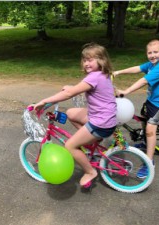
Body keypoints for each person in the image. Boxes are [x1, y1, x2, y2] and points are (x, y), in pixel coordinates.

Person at [32, 43, 117, 188]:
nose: (86, 63)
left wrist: (44, 101)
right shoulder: (102, 74)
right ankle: (90, 140)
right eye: (84, 60)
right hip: (105, 118)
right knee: (71, 113)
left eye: (91, 60)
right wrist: (71, 88)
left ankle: (90, 172)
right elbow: (79, 89)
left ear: (101, 60)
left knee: (70, 145)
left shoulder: (94, 77)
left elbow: (69, 94)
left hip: (100, 123)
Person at [114, 39, 159, 179]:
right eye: (149, 52)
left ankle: (149, 161)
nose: (152, 55)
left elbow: (144, 81)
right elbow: (137, 69)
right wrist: (118, 72)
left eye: (156, 52)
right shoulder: (152, 64)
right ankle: (146, 141)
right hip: (152, 100)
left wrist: (126, 91)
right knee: (143, 118)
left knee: (150, 130)